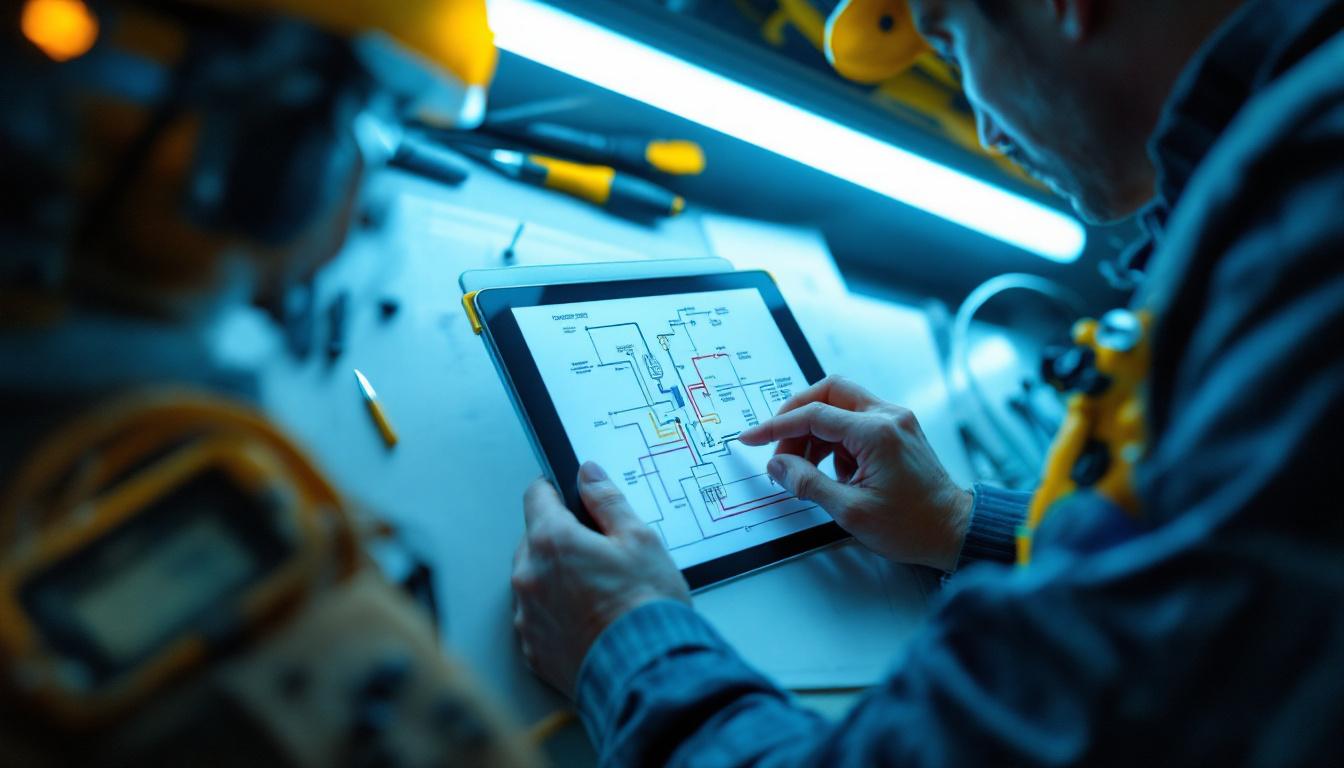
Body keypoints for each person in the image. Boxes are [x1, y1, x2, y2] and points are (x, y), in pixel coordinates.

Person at [511, 0, 1344, 764]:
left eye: (949, 40)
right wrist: (962, 523)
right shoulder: (1281, 169)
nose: (982, 125)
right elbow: (1193, 563)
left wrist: (625, 642)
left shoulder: (1311, 259)